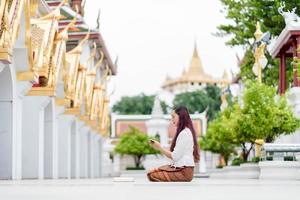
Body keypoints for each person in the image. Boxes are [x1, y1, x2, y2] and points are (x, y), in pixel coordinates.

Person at [147, 106, 200, 182]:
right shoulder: (184, 132)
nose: (172, 120)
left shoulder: (184, 133)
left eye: (173, 117)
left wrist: (159, 147)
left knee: (151, 175)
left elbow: (174, 157)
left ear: (181, 117)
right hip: (182, 169)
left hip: (184, 172)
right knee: (152, 172)